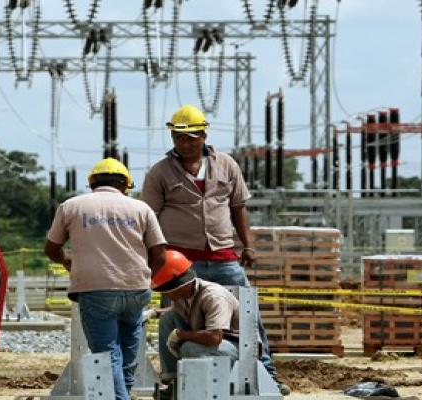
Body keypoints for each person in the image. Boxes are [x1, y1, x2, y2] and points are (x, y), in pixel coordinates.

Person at [141, 104, 290, 395]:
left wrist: (248, 245)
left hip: (223, 256)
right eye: (178, 137)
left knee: (248, 314)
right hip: (182, 263)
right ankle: (173, 377)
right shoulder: (160, 173)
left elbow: (238, 207)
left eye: (191, 137)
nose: (184, 143)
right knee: (173, 315)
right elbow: (148, 218)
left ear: (203, 135)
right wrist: (153, 258)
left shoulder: (226, 165)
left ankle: (267, 374)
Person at [45, 158, 167, 400]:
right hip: (136, 288)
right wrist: (145, 277)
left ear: (92, 183)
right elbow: (160, 255)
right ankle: (125, 392)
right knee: (128, 348)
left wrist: (67, 260)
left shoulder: (71, 206)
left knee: (107, 352)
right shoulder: (141, 209)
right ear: (125, 185)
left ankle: (120, 398)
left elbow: (51, 248)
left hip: (95, 290)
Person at [152, 250, 241, 399]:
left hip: (235, 347)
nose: (165, 295)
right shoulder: (185, 294)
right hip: (216, 341)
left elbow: (214, 337)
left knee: (189, 347)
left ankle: (197, 391)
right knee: (167, 319)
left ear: (179, 286)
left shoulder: (213, 296)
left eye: (166, 291)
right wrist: (154, 312)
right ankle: (174, 381)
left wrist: (180, 335)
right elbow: (174, 310)